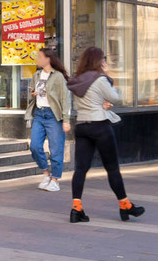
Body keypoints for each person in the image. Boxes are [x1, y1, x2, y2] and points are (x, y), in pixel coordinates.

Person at [66, 47, 144, 223]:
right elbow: (115, 97)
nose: (105, 62)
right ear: (99, 61)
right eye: (103, 60)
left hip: (82, 126)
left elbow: (87, 101)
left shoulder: (77, 80)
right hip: (99, 126)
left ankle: (76, 209)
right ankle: (125, 205)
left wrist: (102, 102)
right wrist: (107, 76)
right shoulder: (100, 79)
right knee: (112, 168)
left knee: (81, 169)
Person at [24, 48, 71, 192]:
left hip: (53, 115)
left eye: (40, 57)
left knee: (56, 149)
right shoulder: (36, 75)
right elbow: (33, 96)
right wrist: (33, 94)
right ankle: (46, 174)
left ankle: (55, 180)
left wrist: (66, 119)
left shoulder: (58, 77)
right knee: (34, 146)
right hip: (39, 114)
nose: (37, 59)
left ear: (48, 59)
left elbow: (65, 98)